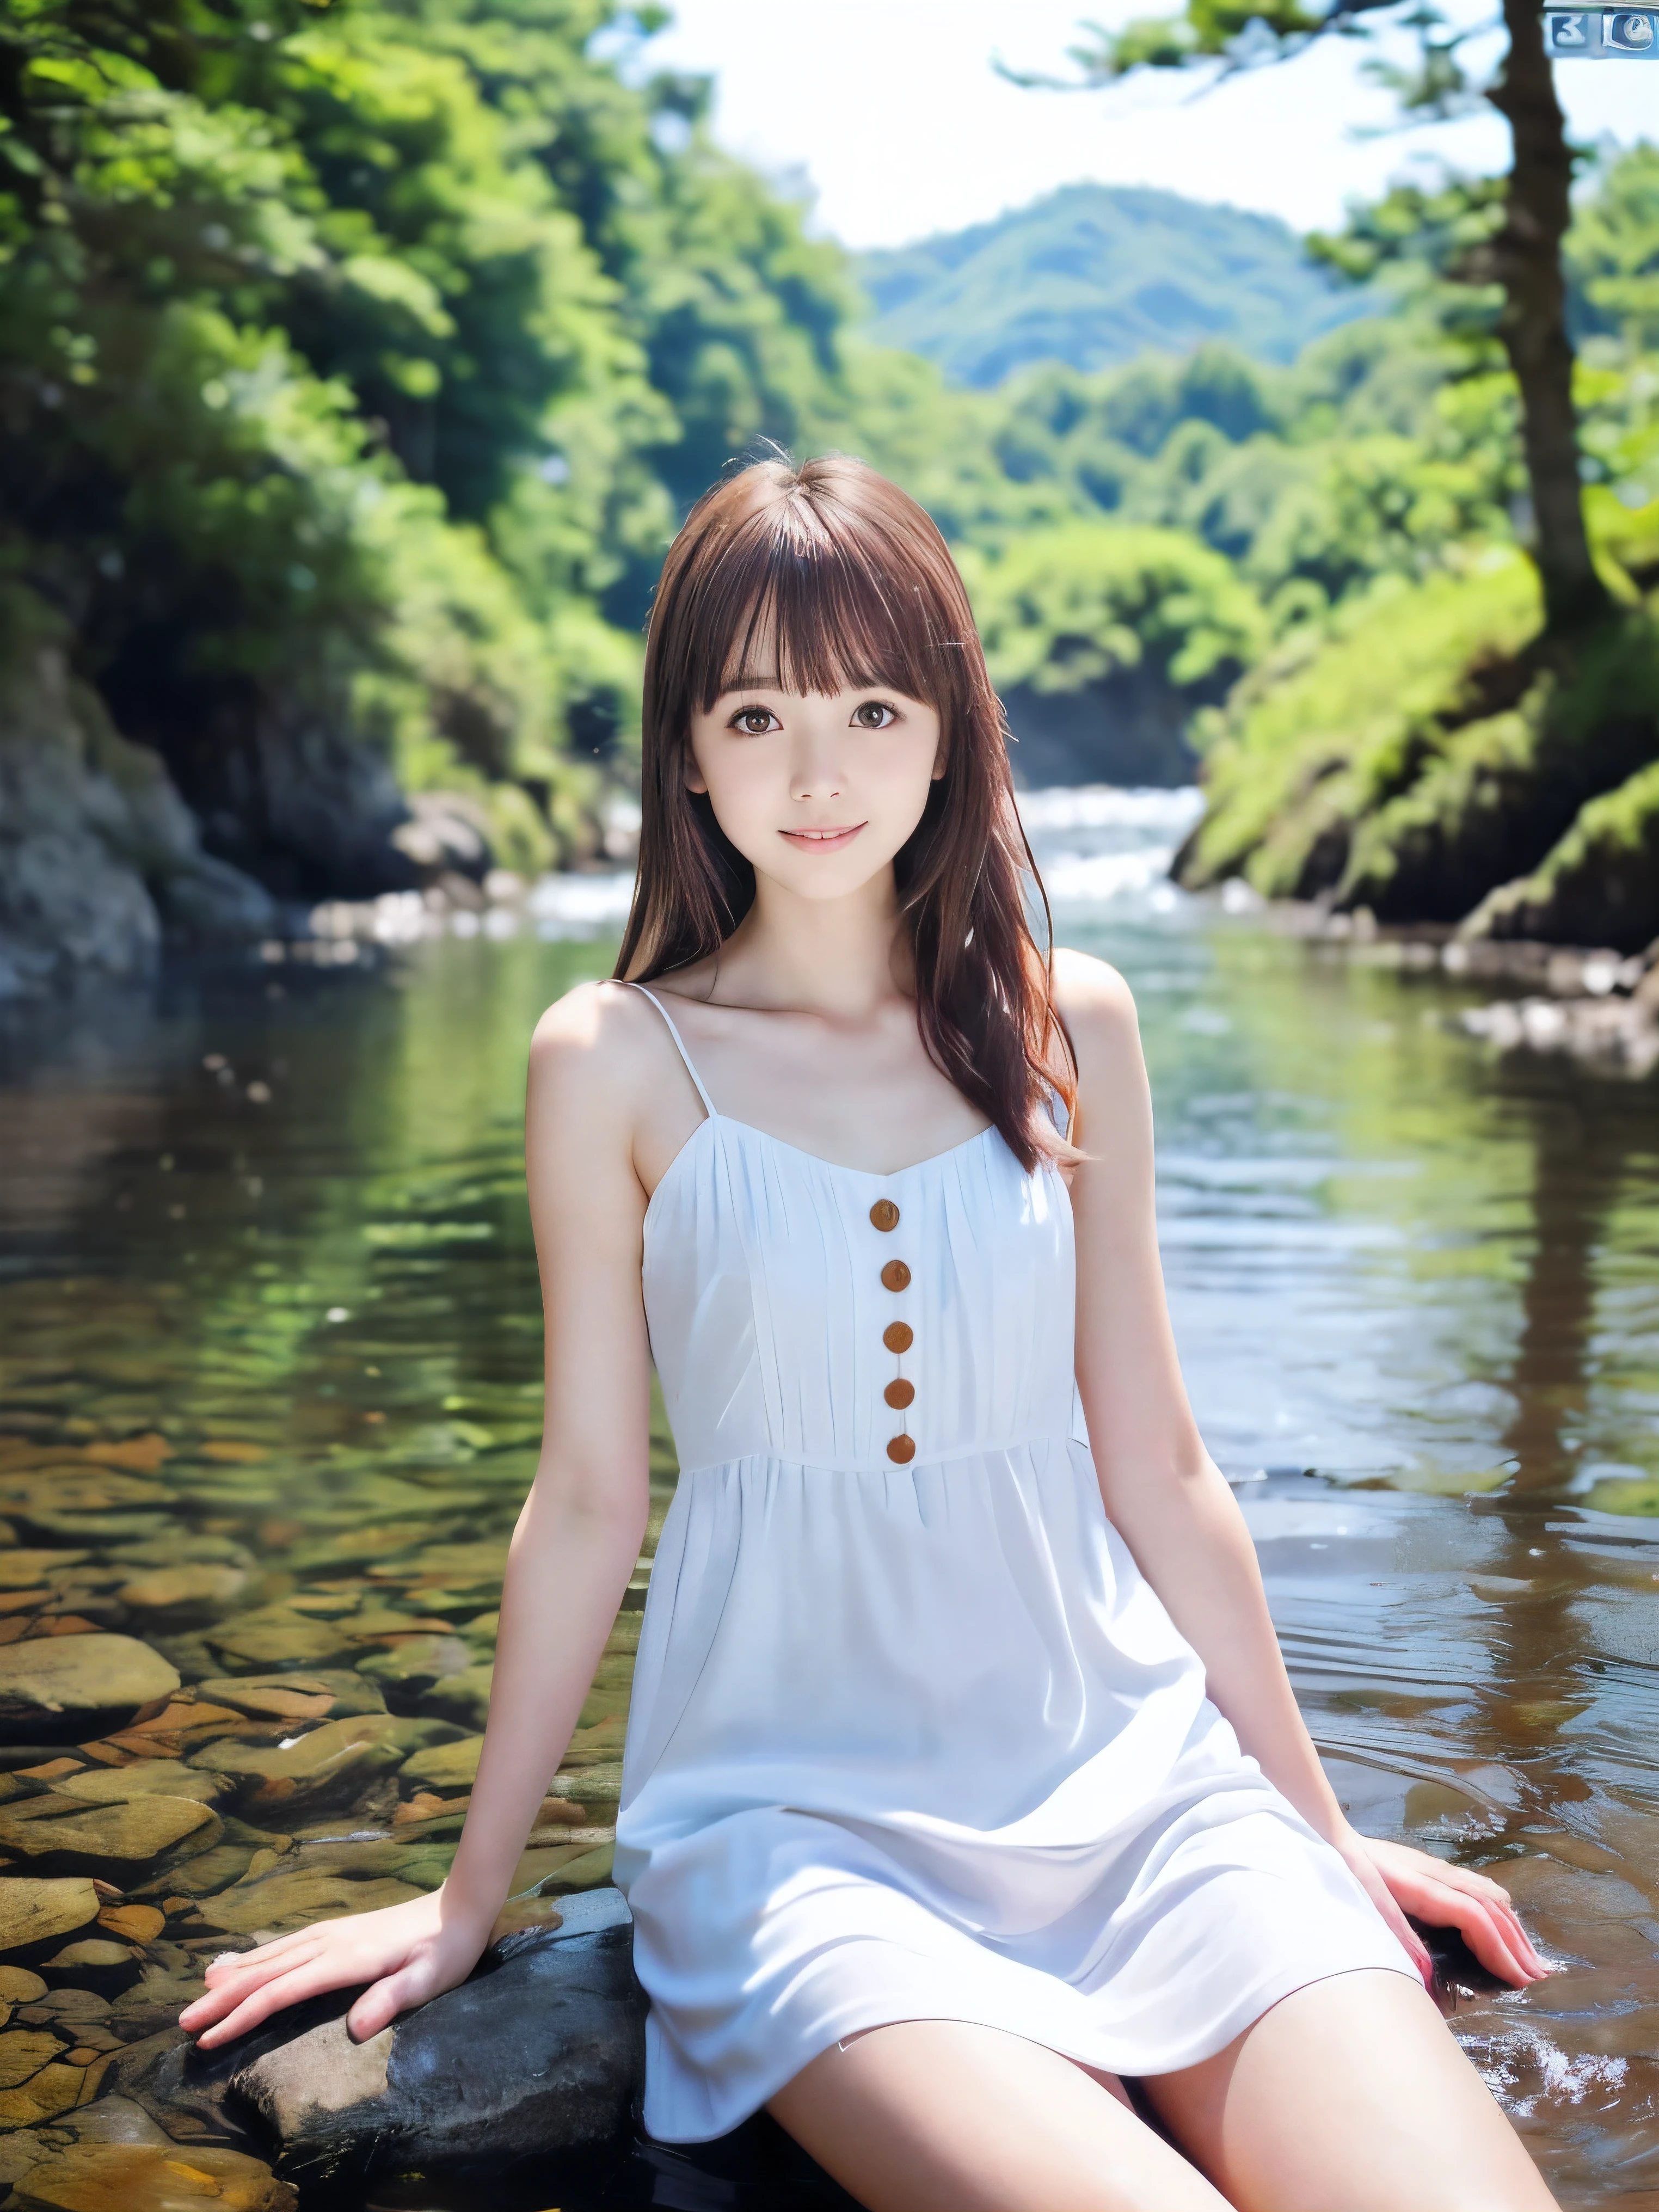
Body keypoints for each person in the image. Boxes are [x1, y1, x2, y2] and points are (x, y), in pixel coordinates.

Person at [181, 455, 1557, 2212]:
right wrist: (468, 1902)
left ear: (948, 726)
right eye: (755, 712)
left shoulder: (1074, 1025)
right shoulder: (610, 1058)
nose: (817, 773)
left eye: (871, 705)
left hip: (1137, 1794)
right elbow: (589, 1501)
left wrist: (1315, 1824)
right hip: (797, 1840)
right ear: (687, 747)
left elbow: (1161, 1466)